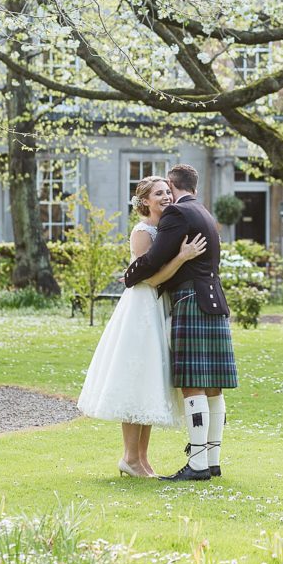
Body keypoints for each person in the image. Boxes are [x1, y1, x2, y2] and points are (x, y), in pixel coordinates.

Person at [77, 176, 206, 477]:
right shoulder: (142, 232)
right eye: (158, 193)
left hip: (157, 307)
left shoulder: (165, 229)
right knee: (135, 382)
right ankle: (129, 457)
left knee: (148, 383)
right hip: (141, 309)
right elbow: (150, 278)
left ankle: (141, 459)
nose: (166, 197)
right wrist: (183, 256)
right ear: (145, 201)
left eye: (167, 192)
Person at [123, 163, 237, 482]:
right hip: (214, 298)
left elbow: (155, 257)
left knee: (193, 383)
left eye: (165, 190)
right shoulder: (204, 212)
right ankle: (211, 461)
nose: (165, 197)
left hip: (191, 300)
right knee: (214, 387)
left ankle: (198, 465)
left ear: (172, 186)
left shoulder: (177, 214)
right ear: (196, 187)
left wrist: (130, 275)